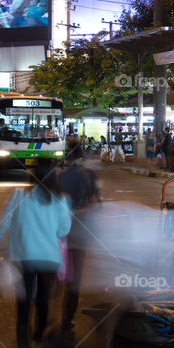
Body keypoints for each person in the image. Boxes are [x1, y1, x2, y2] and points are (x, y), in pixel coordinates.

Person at [0, 158, 72, 348]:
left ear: (32, 175)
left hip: (22, 258)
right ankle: (37, 340)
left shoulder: (18, 196)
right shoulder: (61, 200)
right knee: (43, 301)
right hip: (49, 259)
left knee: (23, 309)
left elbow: (2, 223)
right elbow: (63, 231)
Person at [58, 139, 101, 332]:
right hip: (79, 234)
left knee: (56, 273)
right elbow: (97, 205)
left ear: (67, 155)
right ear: (81, 154)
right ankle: (67, 319)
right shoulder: (89, 176)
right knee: (74, 279)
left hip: (58, 233)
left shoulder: (59, 177)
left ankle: (48, 305)